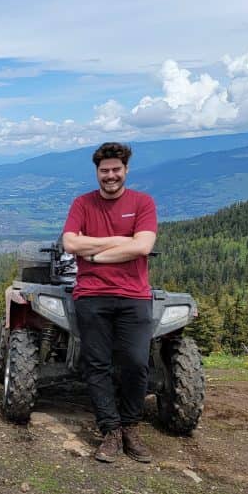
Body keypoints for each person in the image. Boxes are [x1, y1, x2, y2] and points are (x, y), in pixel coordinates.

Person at [62, 142, 157, 463]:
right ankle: (111, 431)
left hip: (134, 295)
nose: (111, 175)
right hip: (91, 295)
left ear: (126, 170)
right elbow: (70, 242)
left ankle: (131, 425)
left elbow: (143, 247)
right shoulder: (82, 204)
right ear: (97, 172)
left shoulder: (143, 203)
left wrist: (94, 254)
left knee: (135, 361)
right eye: (105, 171)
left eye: (116, 169)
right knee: (97, 364)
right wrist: (119, 242)